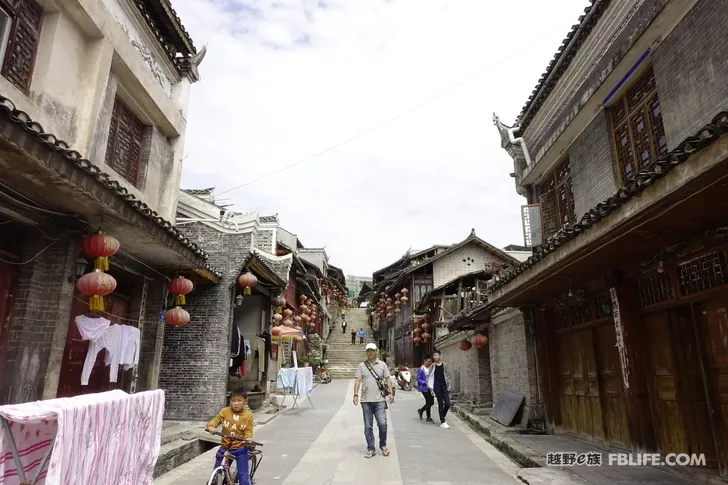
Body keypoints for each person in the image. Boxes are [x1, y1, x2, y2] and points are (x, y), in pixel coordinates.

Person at [206, 388, 254, 485]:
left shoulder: (248, 415)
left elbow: (248, 430)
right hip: (225, 447)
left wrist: (248, 438)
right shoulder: (225, 411)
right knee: (218, 470)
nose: (236, 403)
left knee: (243, 475)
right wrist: (211, 426)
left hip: (240, 448)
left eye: (239, 400)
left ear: (245, 401)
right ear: (230, 401)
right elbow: (216, 419)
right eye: (233, 401)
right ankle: (218, 482)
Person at [353, 343, 394, 458]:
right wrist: (355, 394)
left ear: (376, 351)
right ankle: (371, 448)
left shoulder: (382, 365)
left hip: (380, 400)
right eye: (368, 351)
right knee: (368, 426)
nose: (370, 353)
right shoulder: (362, 365)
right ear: (366, 352)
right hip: (366, 401)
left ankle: (383, 444)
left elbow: (388, 379)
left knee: (382, 424)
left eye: (372, 350)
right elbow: (357, 380)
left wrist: (390, 393)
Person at [427, 350, 452, 429]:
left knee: (447, 403)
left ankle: (442, 416)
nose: (434, 357)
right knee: (440, 403)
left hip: (444, 385)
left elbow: (448, 375)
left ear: (440, 355)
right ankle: (442, 421)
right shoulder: (432, 366)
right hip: (436, 386)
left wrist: (449, 384)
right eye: (434, 356)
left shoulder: (445, 365)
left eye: (436, 355)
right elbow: (429, 377)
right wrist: (431, 389)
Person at [417, 356, 434, 423]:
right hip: (424, 388)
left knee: (430, 402)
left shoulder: (430, 368)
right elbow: (418, 379)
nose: (430, 363)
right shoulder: (421, 369)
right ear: (425, 361)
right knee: (429, 401)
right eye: (429, 361)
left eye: (430, 361)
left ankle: (421, 411)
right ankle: (428, 417)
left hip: (430, 388)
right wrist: (425, 383)